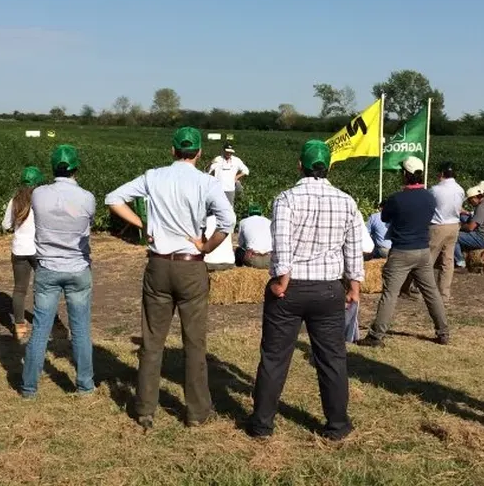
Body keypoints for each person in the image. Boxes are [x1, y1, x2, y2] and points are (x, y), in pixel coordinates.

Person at [106, 127, 235, 429]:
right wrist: (206, 246)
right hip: (191, 267)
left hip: (158, 265)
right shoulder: (207, 182)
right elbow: (228, 220)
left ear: (172, 150)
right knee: (194, 342)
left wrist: (143, 225)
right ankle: (197, 412)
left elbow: (113, 198)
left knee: (152, 340)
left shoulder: (153, 177)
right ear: (199, 153)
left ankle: (145, 409)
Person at [248, 140, 364, 441]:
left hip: (292, 288)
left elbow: (282, 243)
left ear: (300, 165)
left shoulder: (286, 199)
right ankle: (337, 425)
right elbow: (353, 249)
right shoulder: (346, 201)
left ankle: (262, 424)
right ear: (329, 166)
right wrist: (354, 286)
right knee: (332, 358)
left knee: (275, 357)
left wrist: (281, 280)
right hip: (328, 289)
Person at [21, 145, 97, 398]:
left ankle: (29, 387)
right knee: (81, 330)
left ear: (53, 167)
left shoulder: (38, 194)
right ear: (76, 168)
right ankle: (85, 385)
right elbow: (86, 220)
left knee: (40, 328)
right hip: (78, 267)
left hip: (48, 267)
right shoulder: (87, 198)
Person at [358, 156, 449, 347]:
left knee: (390, 294)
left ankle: (376, 336)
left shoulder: (397, 199)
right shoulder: (429, 197)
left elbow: (385, 217)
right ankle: (443, 332)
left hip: (401, 251)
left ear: (405, 174)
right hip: (423, 251)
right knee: (431, 292)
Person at [1, 166, 46, 343]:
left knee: (19, 289)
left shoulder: (15, 201)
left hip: (19, 249)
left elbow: (6, 225)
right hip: (38, 249)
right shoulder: (41, 201)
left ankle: (19, 326)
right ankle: (45, 322)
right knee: (43, 288)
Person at [429, 161, 465, 302]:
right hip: (454, 225)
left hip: (438, 225)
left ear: (442, 173)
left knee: (429, 259)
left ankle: (420, 289)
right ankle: (444, 294)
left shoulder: (435, 190)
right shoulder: (460, 189)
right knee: (447, 261)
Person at [453, 185, 484, 268]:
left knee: (452, 236)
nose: (469, 202)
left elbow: (470, 227)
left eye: (469, 200)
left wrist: (458, 226)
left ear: (475, 198)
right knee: (463, 217)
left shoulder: (482, 207)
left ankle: (460, 261)